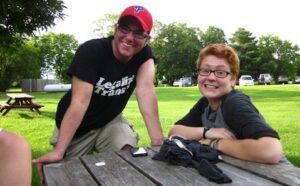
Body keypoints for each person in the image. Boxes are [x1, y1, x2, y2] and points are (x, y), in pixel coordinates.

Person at [33, 5, 164, 182]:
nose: (130, 37)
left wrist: (158, 141)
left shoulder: (144, 55)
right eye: (125, 28)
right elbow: (80, 102)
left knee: (125, 155)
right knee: (65, 176)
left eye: (139, 33)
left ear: (147, 38)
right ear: (116, 28)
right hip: (77, 127)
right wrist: (58, 151)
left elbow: (146, 91)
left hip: (109, 121)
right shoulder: (92, 51)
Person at [168, 44, 283, 164]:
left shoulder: (234, 103)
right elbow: (174, 131)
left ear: (233, 79)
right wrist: (206, 132)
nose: (211, 77)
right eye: (205, 71)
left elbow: (271, 151)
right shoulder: (205, 103)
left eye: (220, 72)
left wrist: (214, 143)